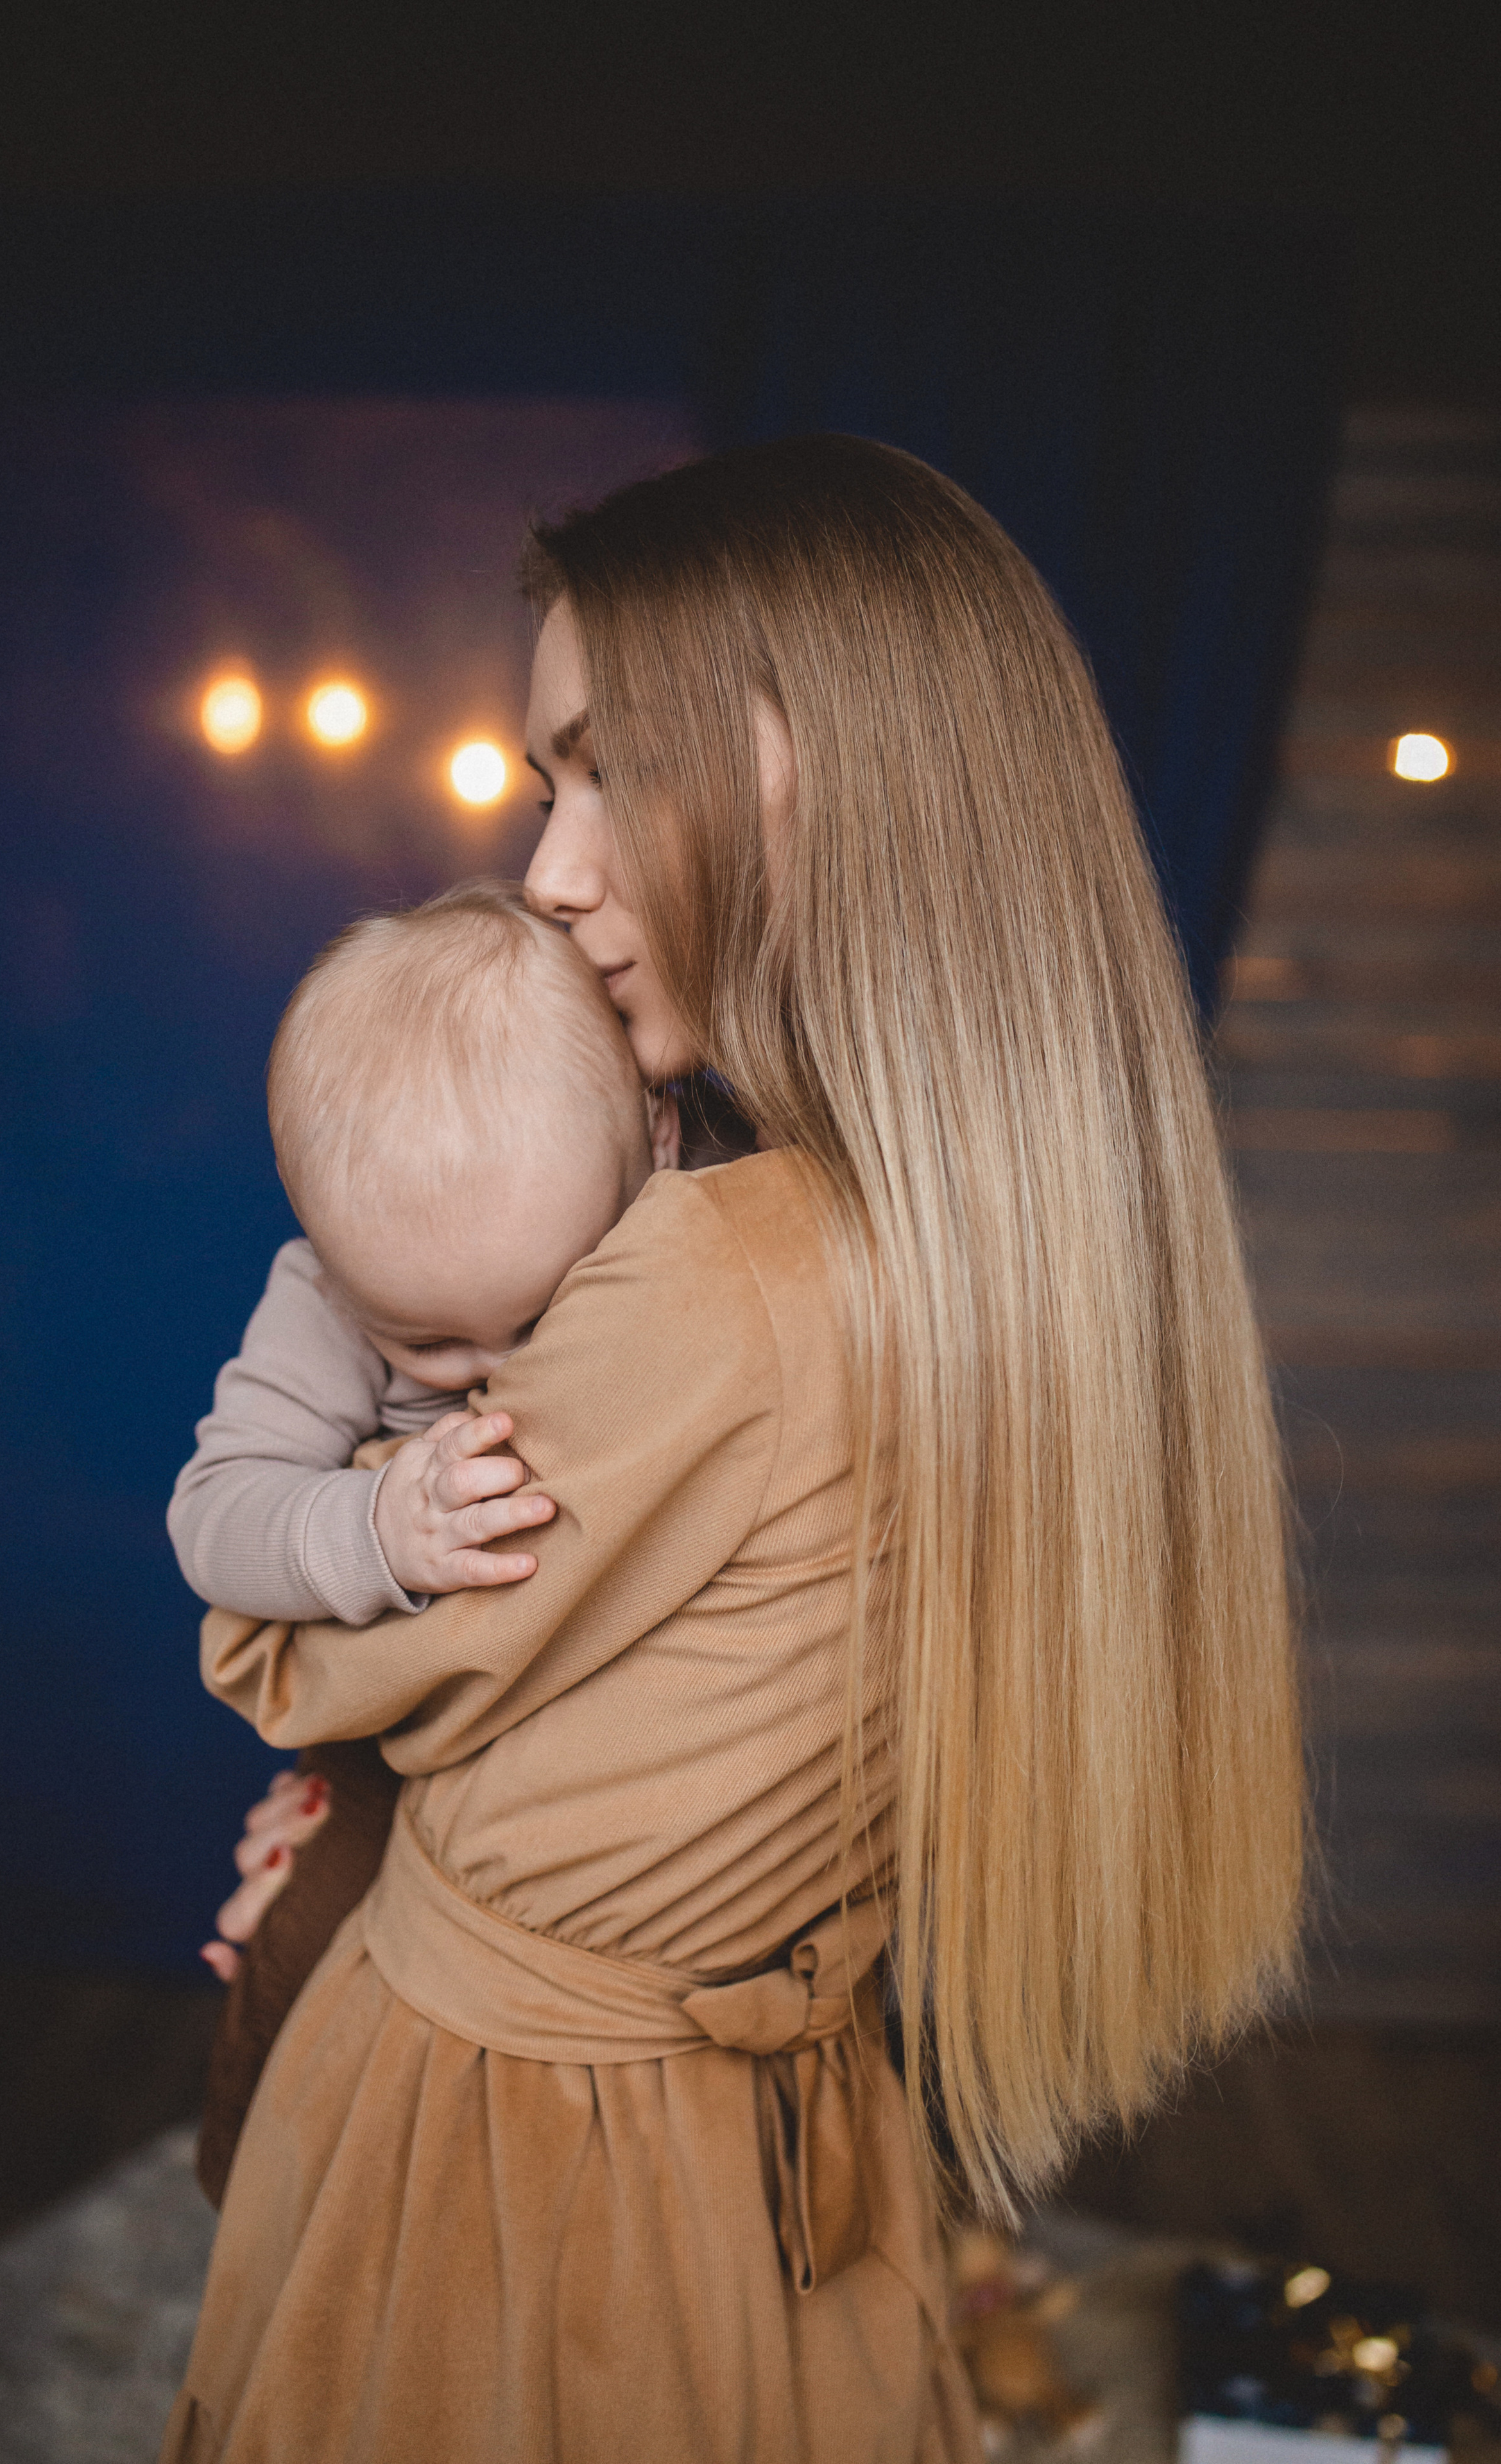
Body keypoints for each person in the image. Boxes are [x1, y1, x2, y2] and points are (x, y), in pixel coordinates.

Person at [162, 434, 1304, 2464]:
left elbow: (296, 1662)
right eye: (547, 786)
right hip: (770, 2125)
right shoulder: (1012, 1245)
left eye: (626, 766)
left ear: (854, 772)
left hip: (526, 2155)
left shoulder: (727, 1283)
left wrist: (314, 1609)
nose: (552, 874)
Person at [166, 883, 682, 2197]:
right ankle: (263, 2208)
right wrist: (375, 1523)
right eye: (431, 1347)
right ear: (338, 1273)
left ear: (658, 1151)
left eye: (535, 1318)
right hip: (392, 1756)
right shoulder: (325, 1304)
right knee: (303, 1942)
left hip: (617, 1776)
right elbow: (215, 1519)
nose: (492, 1376)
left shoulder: (693, 1238)